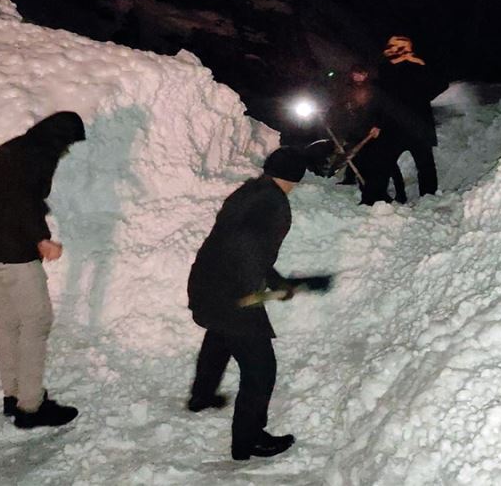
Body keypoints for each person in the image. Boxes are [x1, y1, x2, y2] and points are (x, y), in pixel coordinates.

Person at [187, 147, 318, 461]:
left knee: (220, 333)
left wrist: (275, 283)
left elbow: (242, 243)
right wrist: (249, 292)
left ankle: (202, 396)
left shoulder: (250, 192)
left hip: (206, 283)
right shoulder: (275, 205)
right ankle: (249, 441)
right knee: (261, 369)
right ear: (296, 177)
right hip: (230, 293)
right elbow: (246, 247)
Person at [0, 111, 85, 429]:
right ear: (58, 140)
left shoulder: (14, 150)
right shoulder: (38, 154)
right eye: (67, 145)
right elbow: (22, 200)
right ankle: (30, 408)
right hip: (10, 254)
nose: (66, 151)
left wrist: (36, 218)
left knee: (9, 322)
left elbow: (11, 194)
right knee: (36, 322)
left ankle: (12, 395)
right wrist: (41, 239)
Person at [326, 63, 406, 204]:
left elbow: (384, 110)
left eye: (360, 73)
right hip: (357, 132)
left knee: (387, 164)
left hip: (375, 133)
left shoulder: (375, 89)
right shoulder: (347, 89)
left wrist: (378, 126)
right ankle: (370, 195)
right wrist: (329, 118)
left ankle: (400, 194)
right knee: (362, 164)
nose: (357, 76)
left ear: (366, 74)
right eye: (355, 73)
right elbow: (338, 108)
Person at [377, 35, 438, 197]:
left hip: (418, 126)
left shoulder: (418, 66)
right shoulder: (385, 68)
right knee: (383, 163)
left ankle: (429, 197)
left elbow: (437, 86)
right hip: (394, 126)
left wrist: (421, 64)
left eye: (399, 47)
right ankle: (376, 196)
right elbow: (382, 95)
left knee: (425, 166)